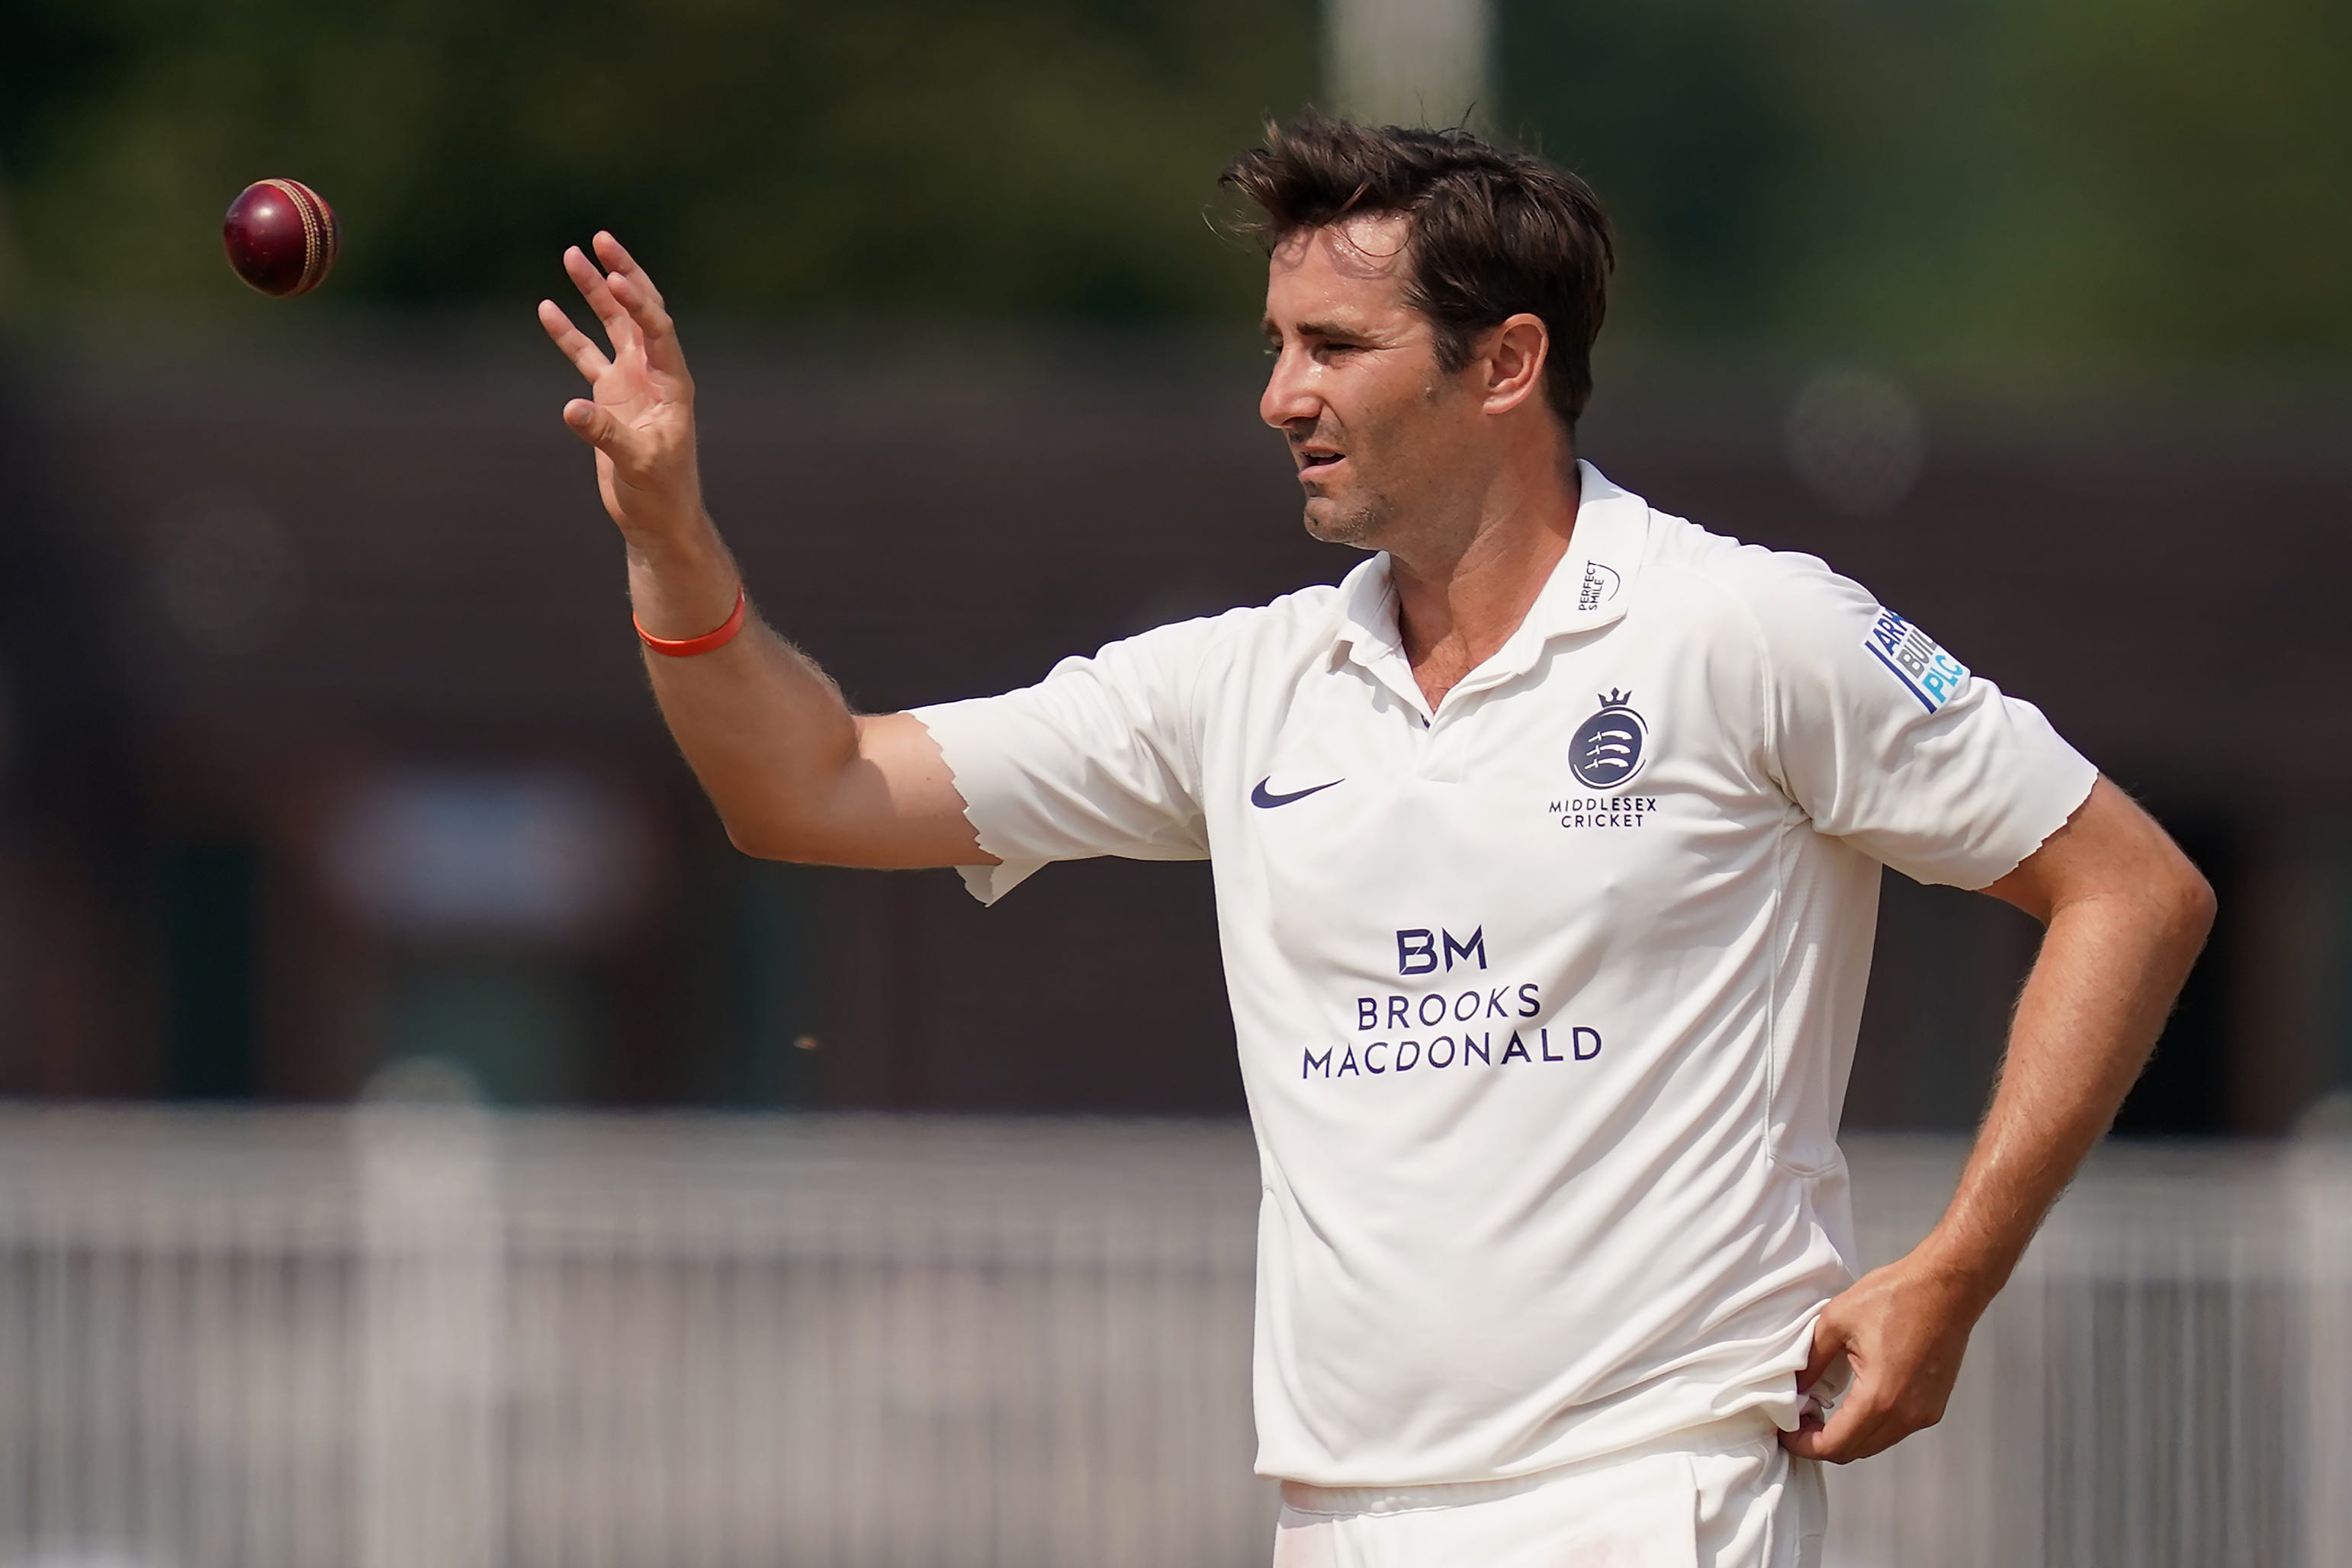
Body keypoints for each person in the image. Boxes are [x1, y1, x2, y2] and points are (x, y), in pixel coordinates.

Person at [536, 116, 2213, 1568]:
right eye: (1274, 342)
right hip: (1340, 1514)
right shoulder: (1246, 682)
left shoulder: (1747, 629)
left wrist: (1957, 1271)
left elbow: (2132, 886)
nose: (1279, 395)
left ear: (1505, 362)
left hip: (1648, 1500)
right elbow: (809, 789)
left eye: (1336, 345)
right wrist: (672, 537)